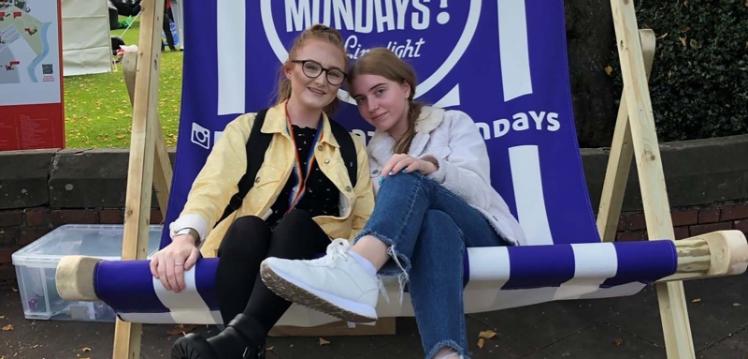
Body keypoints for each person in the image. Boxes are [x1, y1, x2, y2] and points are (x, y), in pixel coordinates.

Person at [260, 48, 526, 359]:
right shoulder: (371, 154)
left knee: (404, 174)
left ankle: (357, 269)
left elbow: (480, 193)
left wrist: (430, 167)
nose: (371, 106)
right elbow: (392, 221)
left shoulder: (452, 122)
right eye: (360, 99)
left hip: (482, 233)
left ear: (405, 87)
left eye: (380, 91)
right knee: (433, 222)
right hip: (434, 242)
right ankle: (447, 355)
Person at [149, 25, 374, 359]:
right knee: (246, 226)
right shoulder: (248, 129)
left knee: (296, 222)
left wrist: (354, 265)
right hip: (248, 249)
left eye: (334, 74)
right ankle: (241, 346)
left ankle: (234, 341)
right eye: (311, 67)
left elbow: (365, 218)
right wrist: (184, 237)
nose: (321, 80)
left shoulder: (350, 146)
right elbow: (212, 187)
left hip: (317, 257)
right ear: (290, 69)